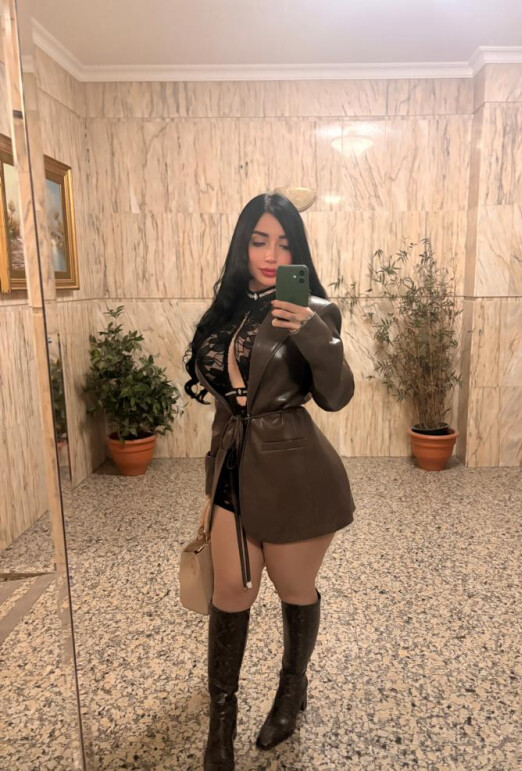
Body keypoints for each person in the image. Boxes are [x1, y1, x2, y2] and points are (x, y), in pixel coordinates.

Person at [184, 192, 355, 770]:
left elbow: (337, 395)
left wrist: (312, 330)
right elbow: (223, 403)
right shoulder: (225, 310)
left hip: (294, 472)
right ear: (243, 244)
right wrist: (211, 482)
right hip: (231, 468)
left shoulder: (316, 310)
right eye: (259, 240)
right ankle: (221, 724)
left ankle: (291, 689)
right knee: (231, 592)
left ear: (297, 252)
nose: (269, 254)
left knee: (292, 587)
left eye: (283, 244)